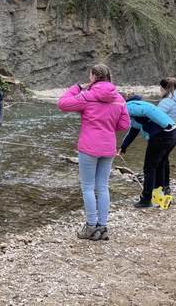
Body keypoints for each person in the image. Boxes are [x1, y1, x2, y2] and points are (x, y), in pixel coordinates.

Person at [58, 64, 130, 241]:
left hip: (89, 147)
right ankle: (102, 227)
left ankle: (90, 227)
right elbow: (124, 124)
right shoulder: (119, 98)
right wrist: (108, 125)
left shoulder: (87, 96)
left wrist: (77, 87)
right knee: (103, 186)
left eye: (90, 75)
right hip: (108, 148)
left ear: (94, 76)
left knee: (88, 187)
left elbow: (62, 104)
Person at [119, 94, 176, 207]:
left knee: (149, 168)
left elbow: (147, 110)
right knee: (159, 165)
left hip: (163, 135)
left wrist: (162, 125)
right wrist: (124, 147)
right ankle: (159, 196)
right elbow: (133, 131)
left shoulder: (128, 106)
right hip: (172, 133)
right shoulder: (135, 108)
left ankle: (146, 199)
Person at [157, 78, 176, 194]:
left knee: (158, 162)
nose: (159, 90)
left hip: (163, 134)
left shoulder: (166, 101)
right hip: (172, 132)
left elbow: (156, 117)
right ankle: (166, 186)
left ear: (164, 88)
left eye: (160, 88)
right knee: (164, 160)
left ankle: (160, 188)